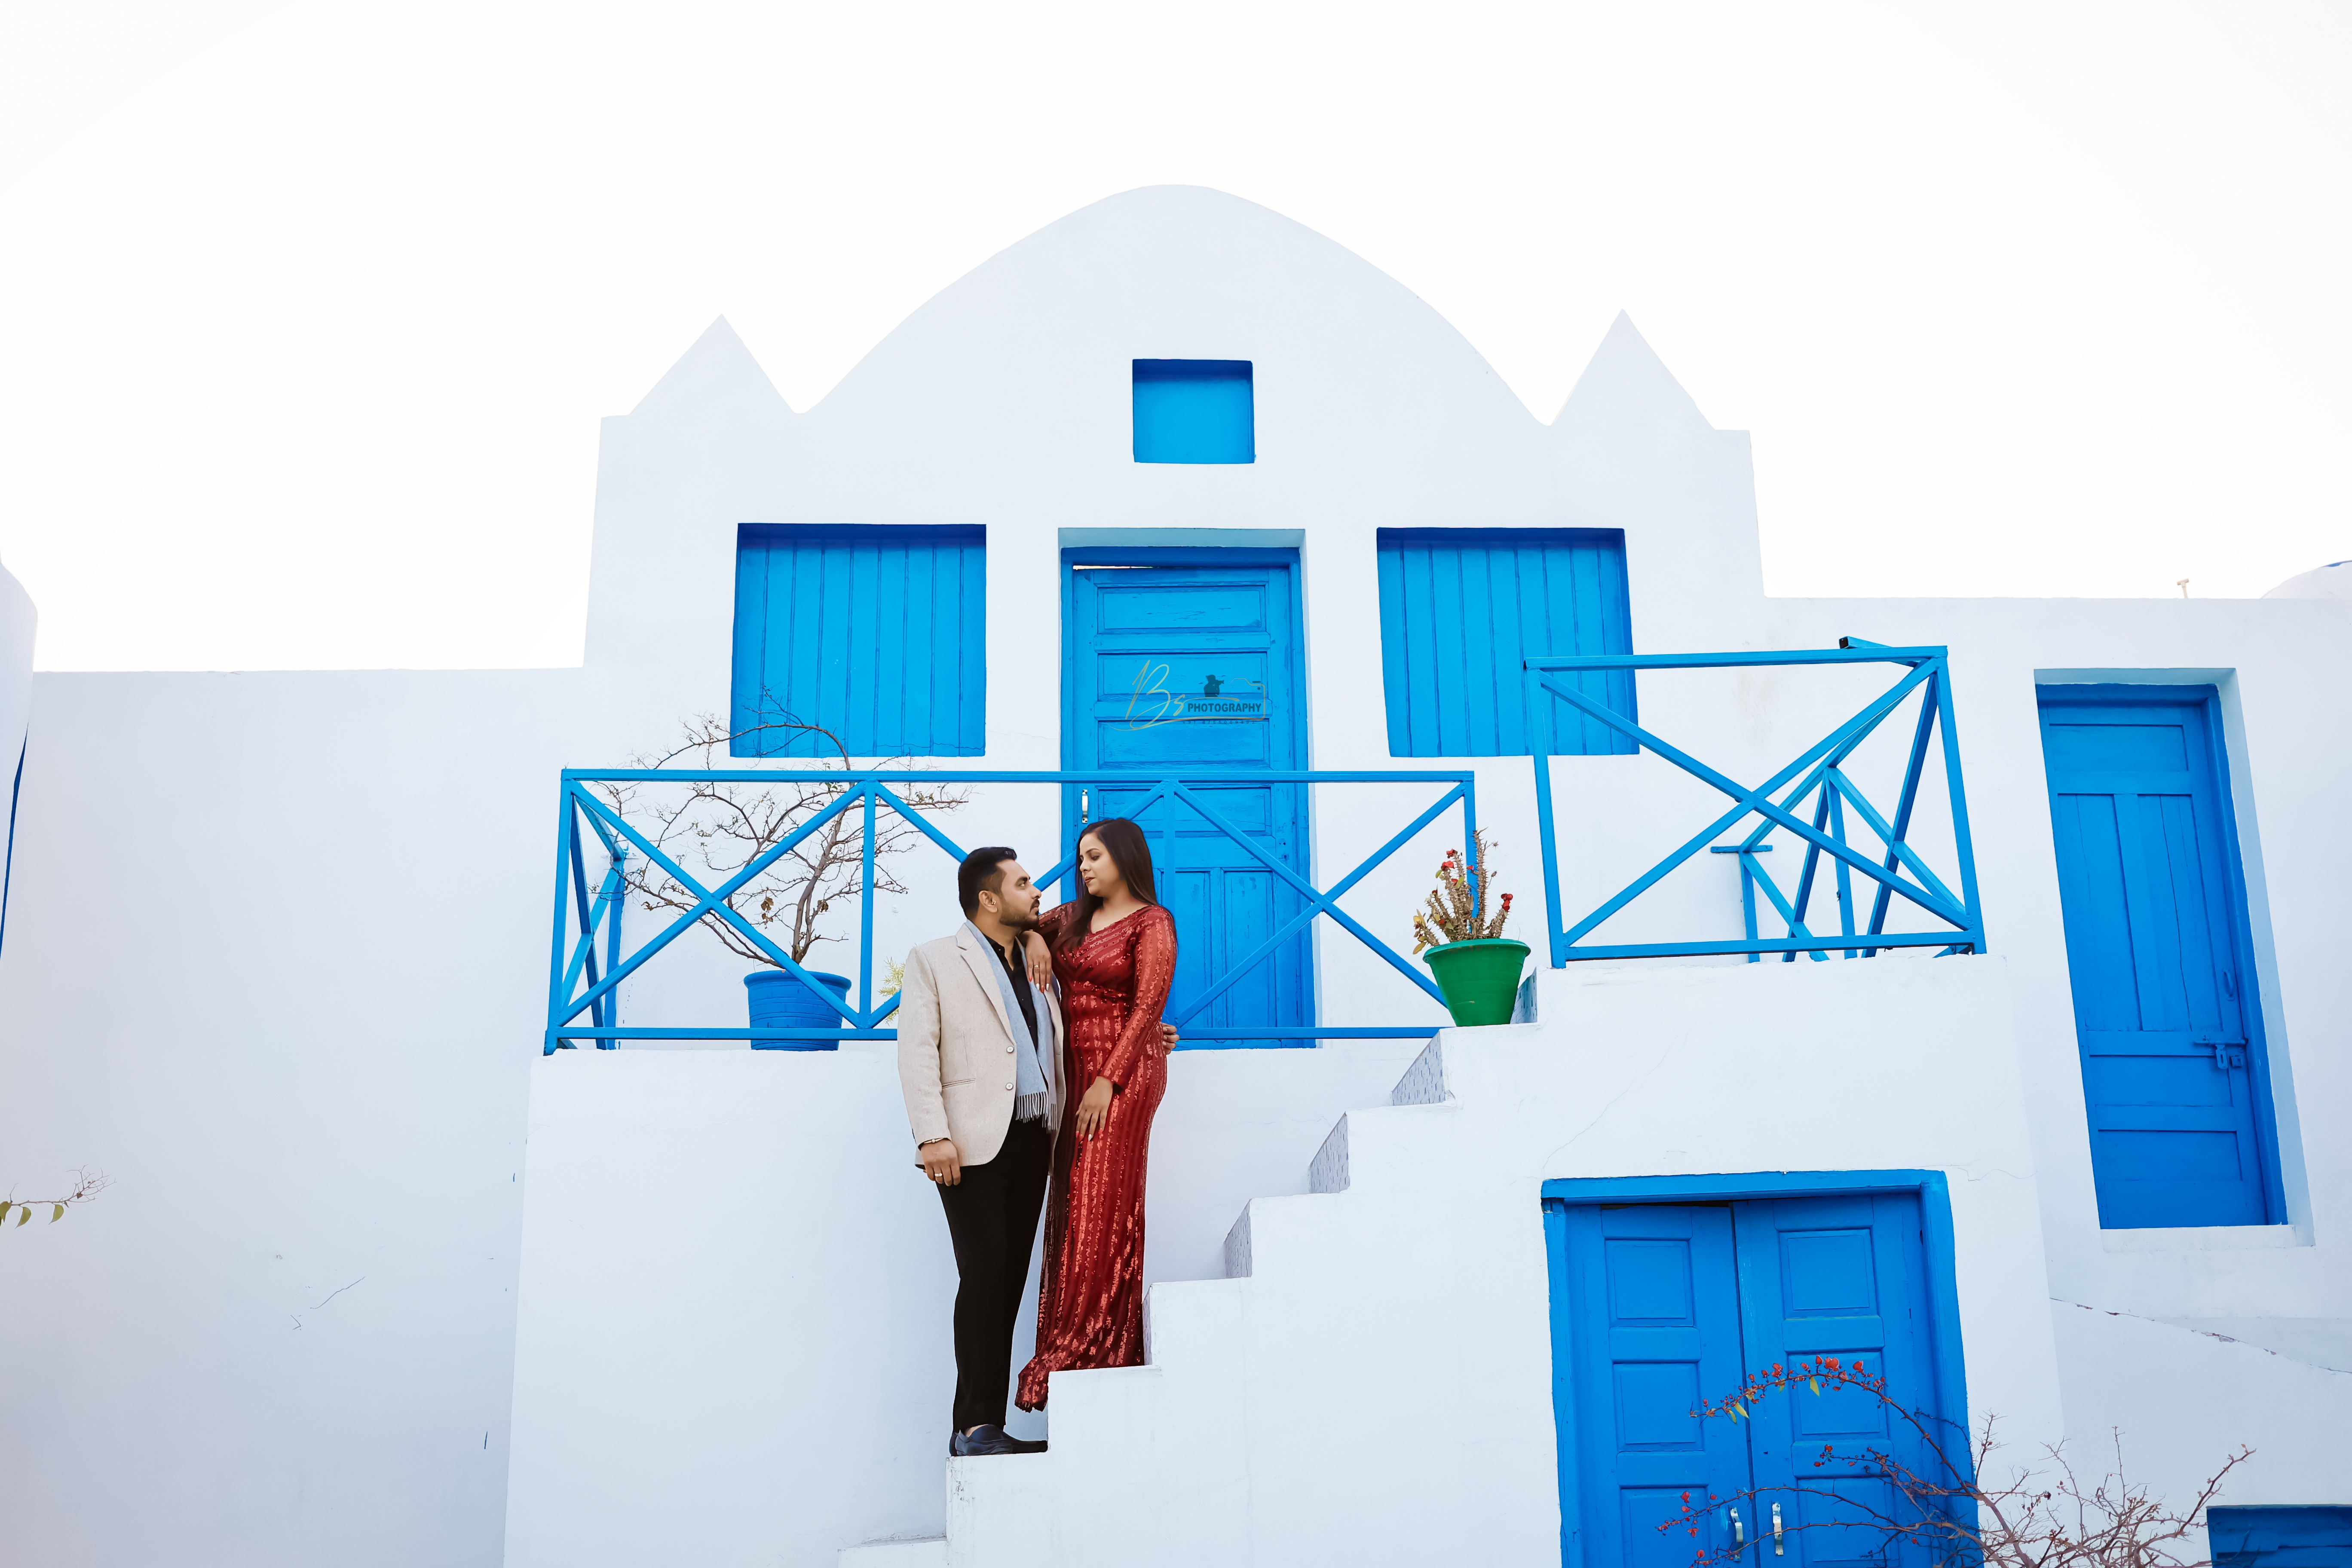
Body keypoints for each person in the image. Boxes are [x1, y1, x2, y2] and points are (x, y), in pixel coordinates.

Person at [894, 846, 1179, 1457]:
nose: (1038, 891)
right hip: (969, 1143)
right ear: (989, 900)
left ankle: (986, 1428)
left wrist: (1148, 1035)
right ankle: (972, 1426)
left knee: (1008, 1284)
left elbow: (1089, 1011)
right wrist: (931, 1134)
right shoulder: (936, 958)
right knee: (983, 1279)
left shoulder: (1036, 958)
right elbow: (917, 1050)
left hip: (1035, 1139)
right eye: (1023, 884)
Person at [1013, 818, 1179, 1412]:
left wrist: (1110, 1080)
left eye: (1094, 857)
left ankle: (1090, 1347)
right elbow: (1015, 924)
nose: (1083, 867)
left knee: (1101, 1201)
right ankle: (1068, 1343)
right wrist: (1034, 939)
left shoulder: (1153, 922)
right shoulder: (1071, 918)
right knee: (1071, 1202)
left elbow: (1147, 1007)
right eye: (1080, 857)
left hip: (1123, 1075)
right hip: (1073, 1071)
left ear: (1125, 859)